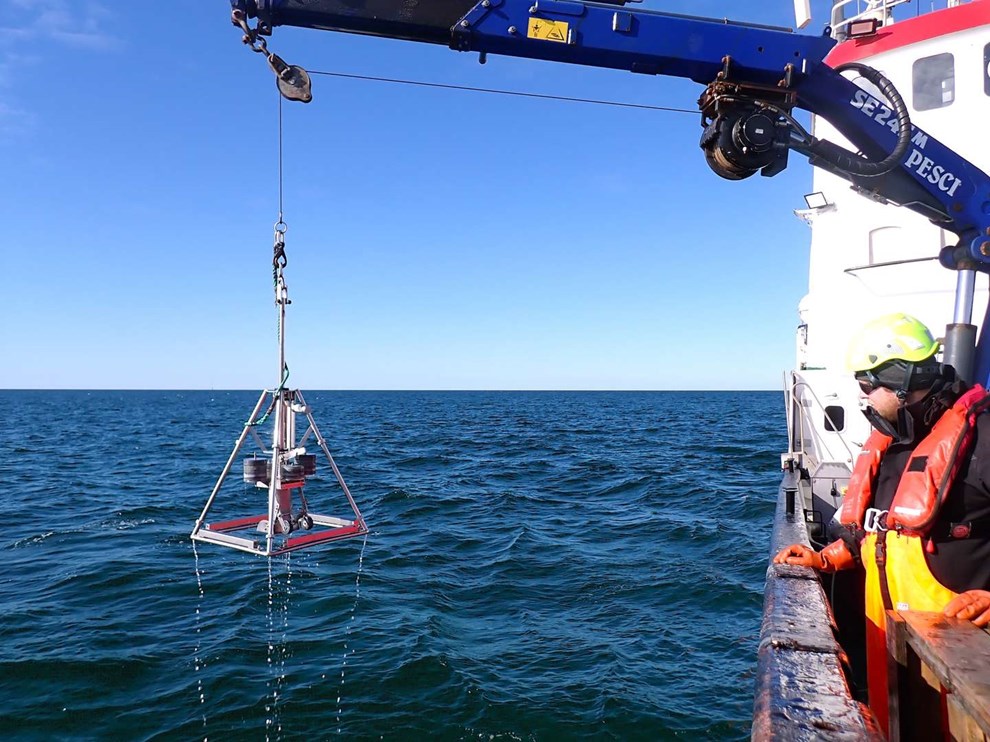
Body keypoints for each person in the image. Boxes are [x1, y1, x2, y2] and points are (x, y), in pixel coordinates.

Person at [773, 313, 990, 734]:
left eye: (868, 386)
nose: (864, 398)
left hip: (965, 670)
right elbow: (878, 530)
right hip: (894, 657)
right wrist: (825, 559)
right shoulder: (893, 443)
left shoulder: (982, 437)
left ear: (900, 380)